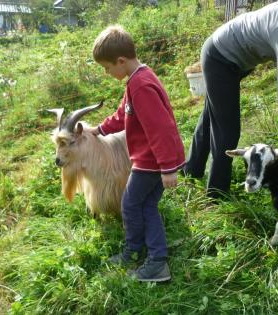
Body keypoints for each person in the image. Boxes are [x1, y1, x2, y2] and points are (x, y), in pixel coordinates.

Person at [183, 0, 278, 199]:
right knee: (227, 131)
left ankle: (190, 172)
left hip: (234, 55)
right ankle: (216, 196)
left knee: (211, 117)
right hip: (220, 58)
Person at [87, 25, 185, 282]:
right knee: (146, 206)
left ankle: (145, 257)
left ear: (121, 61)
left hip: (152, 161)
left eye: (107, 68)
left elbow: (160, 129)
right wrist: (99, 129)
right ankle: (150, 255)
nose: (107, 73)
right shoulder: (137, 79)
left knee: (130, 205)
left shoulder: (141, 85)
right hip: (152, 159)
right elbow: (123, 114)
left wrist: (167, 168)